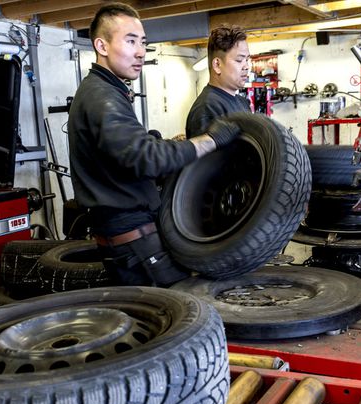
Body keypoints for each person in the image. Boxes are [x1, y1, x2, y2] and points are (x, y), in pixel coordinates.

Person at [68, 3, 240, 287]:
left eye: (143, 43)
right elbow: (146, 158)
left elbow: (127, 154)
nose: (140, 52)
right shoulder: (102, 97)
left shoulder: (106, 91)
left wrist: (158, 142)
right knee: (186, 309)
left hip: (133, 236)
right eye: (130, 41)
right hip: (133, 242)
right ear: (102, 45)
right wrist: (209, 140)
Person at [186, 25, 251, 138]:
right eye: (239, 60)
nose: (246, 66)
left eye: (247, 59)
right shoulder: (206, 110)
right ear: (217, 65)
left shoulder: (242, 103)